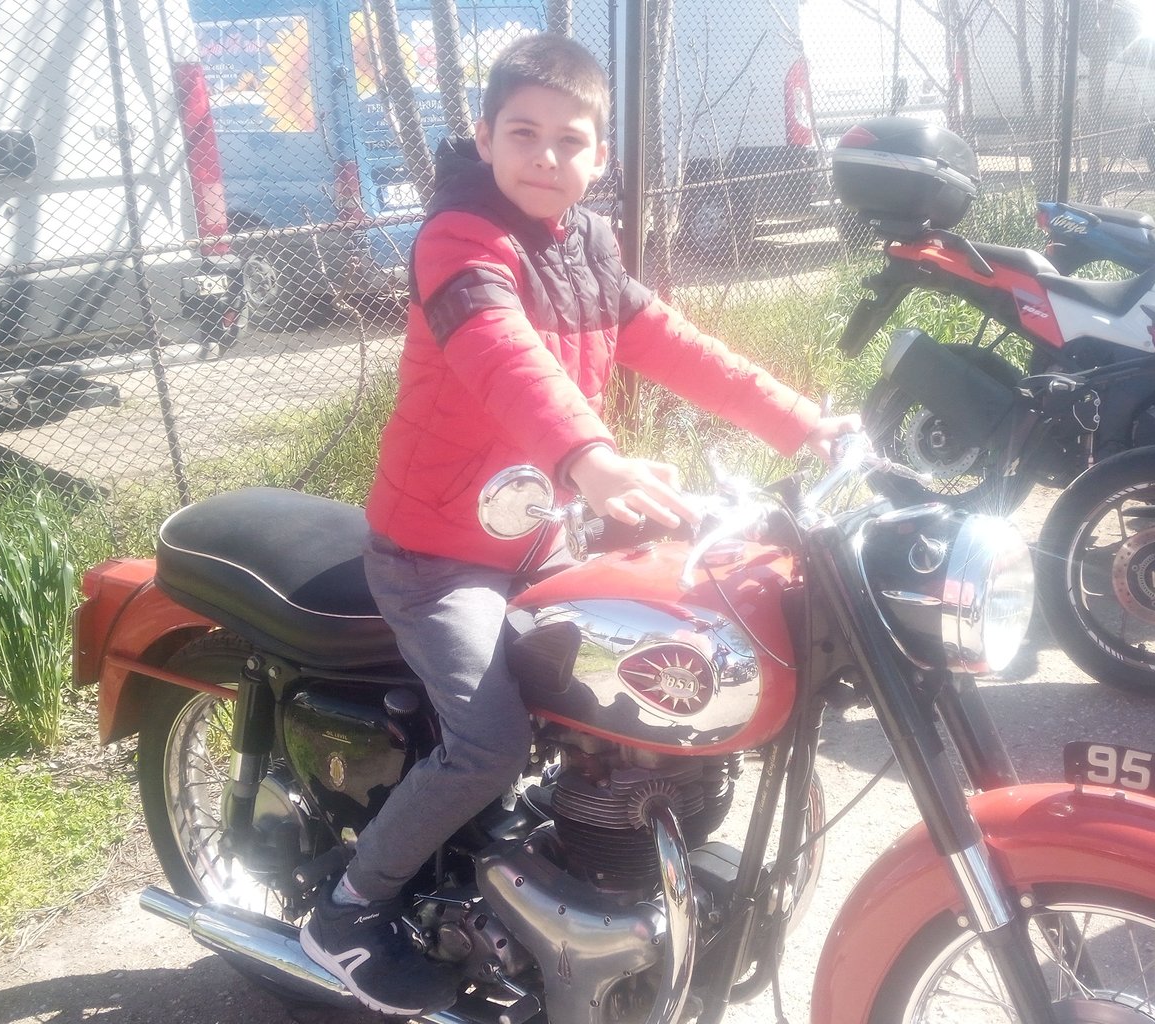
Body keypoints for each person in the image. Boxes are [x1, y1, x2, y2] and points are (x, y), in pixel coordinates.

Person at [298, 33, 857, 1015]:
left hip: (537, 533)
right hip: (436, 556)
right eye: (523, 133)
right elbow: (504, 359)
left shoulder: (586, 249)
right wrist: (590, 460)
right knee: (488, 745)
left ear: (599, 156)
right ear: (484, 137)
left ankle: (592, 847)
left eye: (570, 140)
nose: (546, 156)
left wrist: (804, 424)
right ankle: (346, 910)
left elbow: (679, 346)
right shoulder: (459, 240)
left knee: (661, 644)